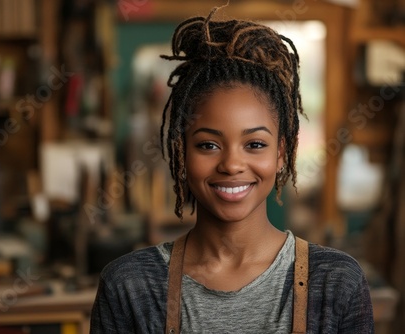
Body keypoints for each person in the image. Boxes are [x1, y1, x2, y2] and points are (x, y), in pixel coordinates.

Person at [90, 4, 374, 333]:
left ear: (283, 152)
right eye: (208, 145)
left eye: (255, 144)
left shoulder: (336, 284)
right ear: (181, 152)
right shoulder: (129, 287)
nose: (232, 164)